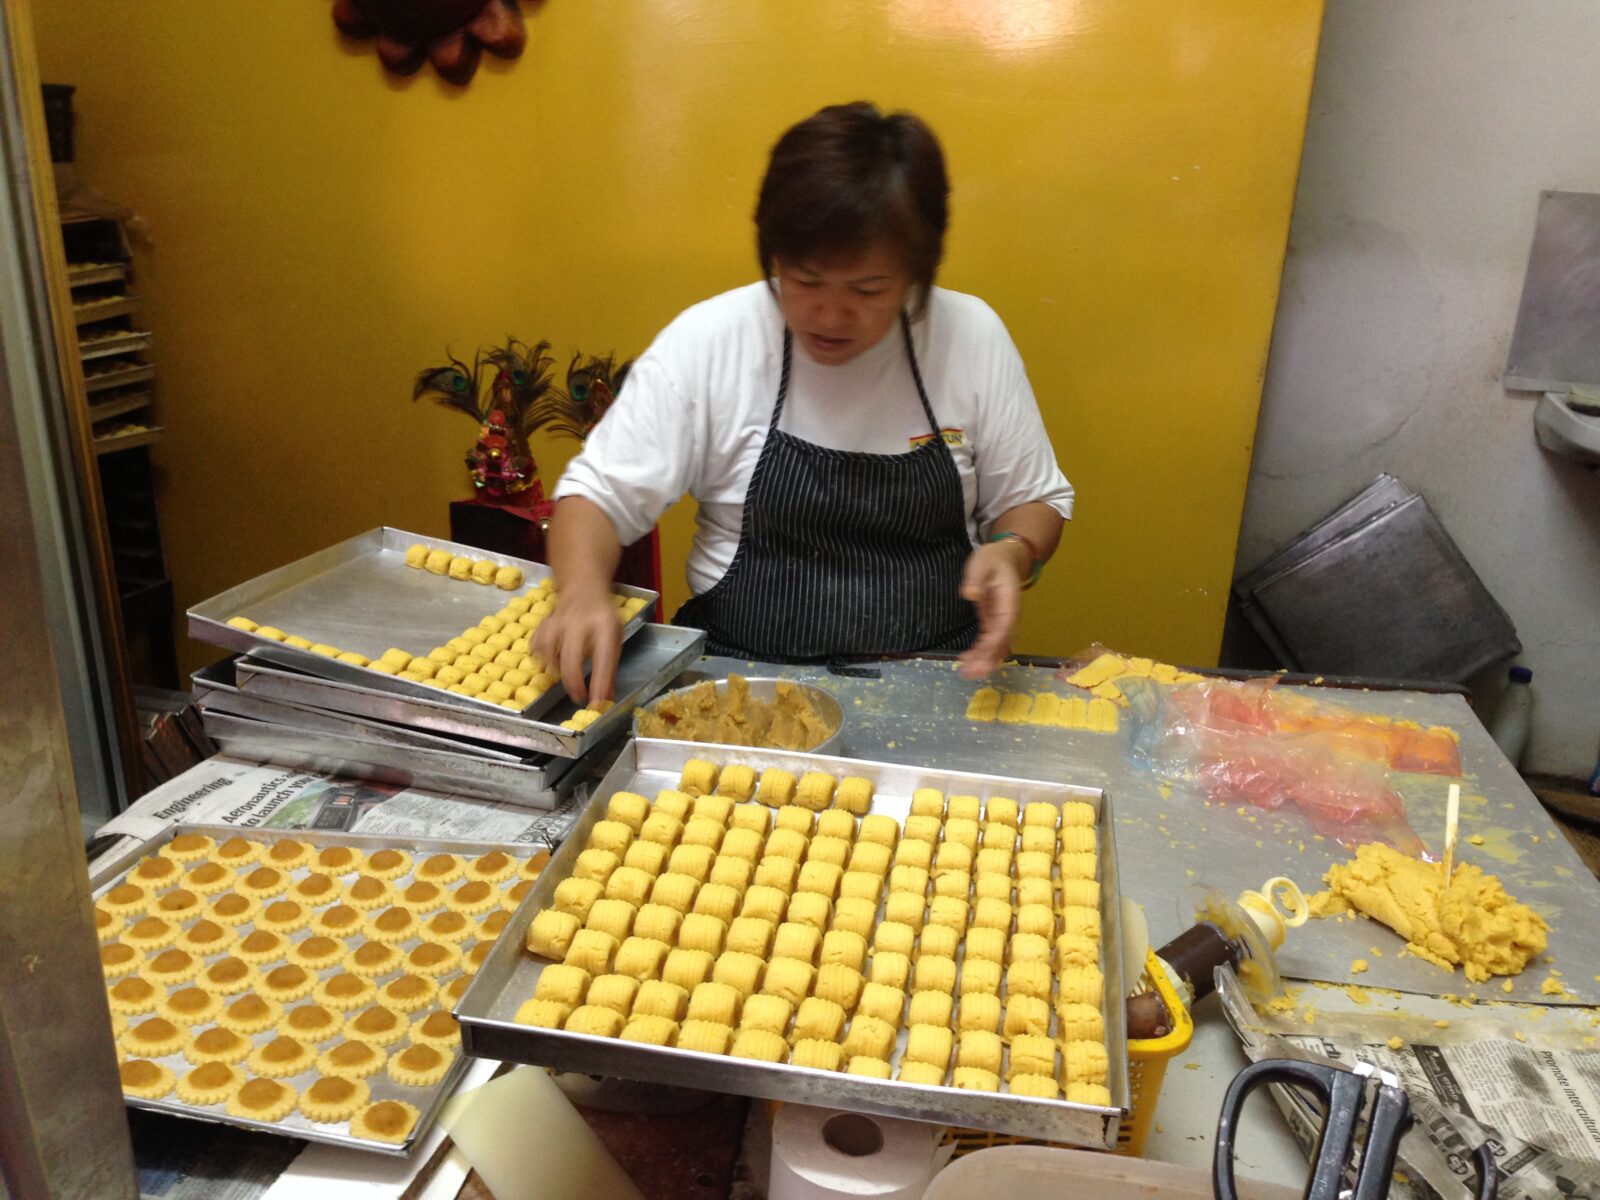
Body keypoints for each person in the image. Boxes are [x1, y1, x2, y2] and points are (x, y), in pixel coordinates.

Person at [536, 101, 1073, 703]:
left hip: (937, 682)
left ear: (917, 273)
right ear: (773, 257)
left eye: (868, 290)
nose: (829, 315)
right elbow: (596, 498)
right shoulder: (713, 341)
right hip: (739, 680)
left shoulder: (969, 336)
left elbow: (1033, 499)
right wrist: (581, 591)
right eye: (805, 280)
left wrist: (1011, 550)